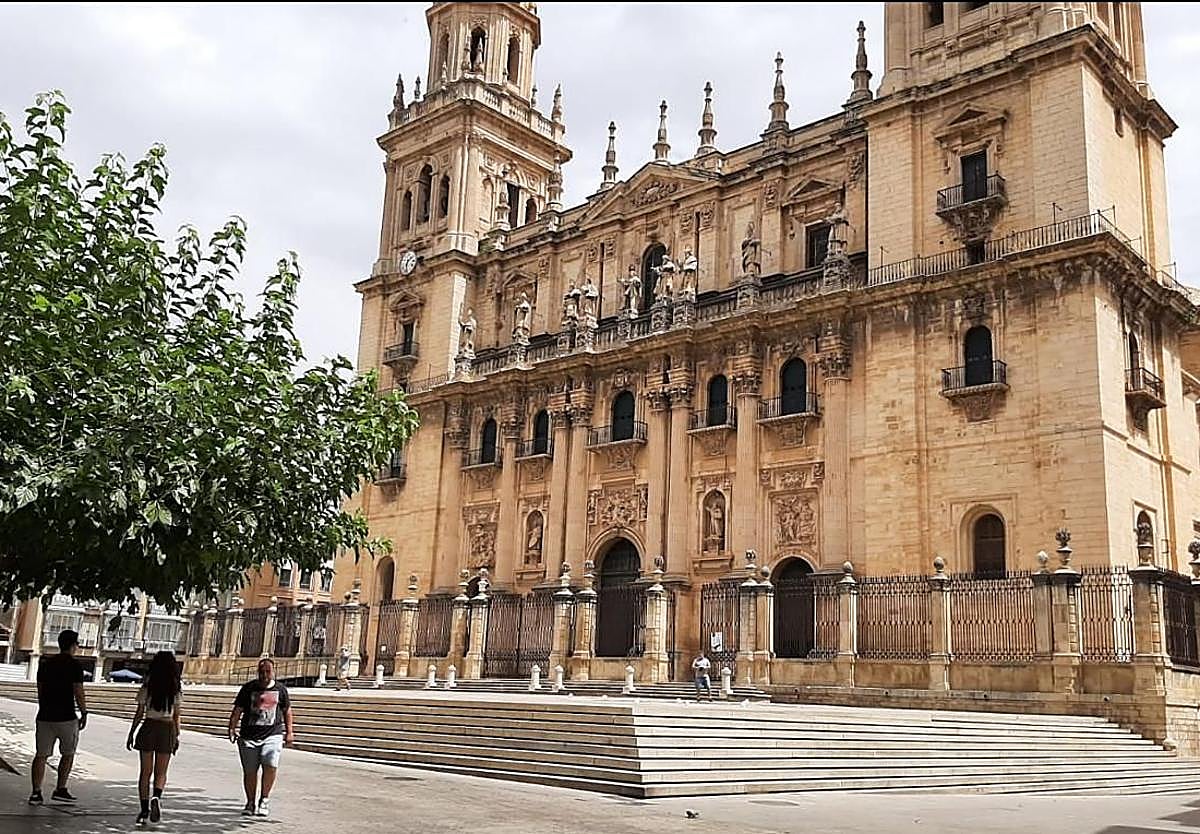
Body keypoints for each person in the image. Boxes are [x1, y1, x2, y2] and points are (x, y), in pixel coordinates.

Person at [228, 658, 294, 818]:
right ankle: (250, 802)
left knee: (270, 763)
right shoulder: (248, 688)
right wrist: (231, 727)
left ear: (273, 672)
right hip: (249, 736)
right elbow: (238, 710)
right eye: (262, 672)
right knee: (250, 771)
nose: (264, 675)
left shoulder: (281, 689)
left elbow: (287, 711)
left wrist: (289, 732)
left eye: (268, 672)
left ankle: (264, 799)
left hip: (273, 734)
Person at [30, 629, 87, 805]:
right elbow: (78, 691)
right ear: (72, 645)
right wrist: (84, 712)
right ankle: (60, 788)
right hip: (67, 716)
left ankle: (36, 792)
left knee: (41, 755)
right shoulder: (75, 665)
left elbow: (40, 689)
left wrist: (45, 706)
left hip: (45, 715)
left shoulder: (45, 664)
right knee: (68, 753)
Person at [126, 651, 182, 825]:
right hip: (167, 728)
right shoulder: (175, 688)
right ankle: (156, 796)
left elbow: (139, 712)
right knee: (161, 772)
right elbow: (177, 715)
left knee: (145, 772)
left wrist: (132, 732)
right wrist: (177, 735)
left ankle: (143, 810)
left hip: (149, 726)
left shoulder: (147, 686)